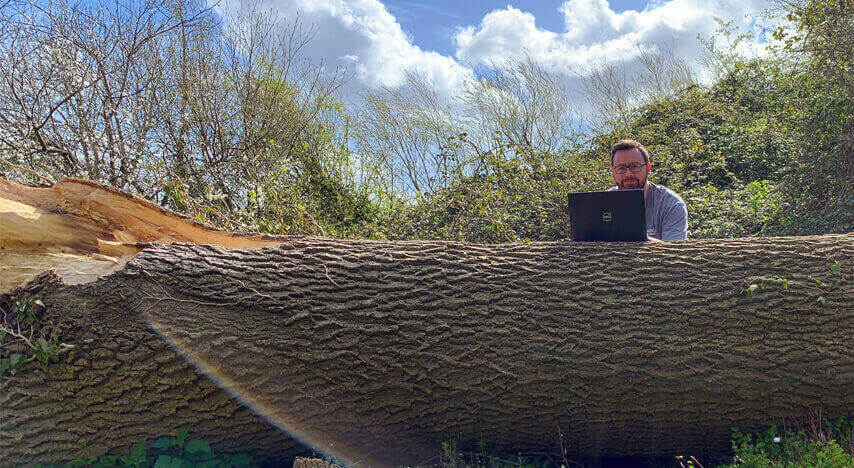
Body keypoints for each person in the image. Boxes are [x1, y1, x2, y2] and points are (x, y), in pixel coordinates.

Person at [607, 139, 688, 241]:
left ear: (648, 168)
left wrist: (633, 237)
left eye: (635, 166)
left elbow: (675, 251)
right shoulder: (602, 204)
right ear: (613, 172)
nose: (628, 174)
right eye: (621, 168)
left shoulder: (671, 204)